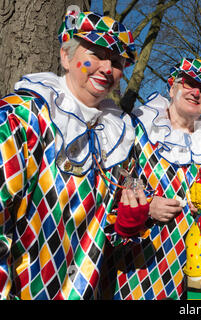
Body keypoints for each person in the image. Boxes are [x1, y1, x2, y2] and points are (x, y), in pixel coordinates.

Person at [0, 7, 137, 299]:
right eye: (97, 55)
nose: (106, 68)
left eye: (115, 61)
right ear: (66, 56)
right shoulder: (22, 117)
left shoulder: (115, 137)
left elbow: (103, 230)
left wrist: (128, 221)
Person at [105, 58, 201, 300]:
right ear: (172, 87)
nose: (196, 92)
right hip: (142, 259)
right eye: (189, 83)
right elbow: (114, 183)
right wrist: (147, 205)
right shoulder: (137, 127)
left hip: (200, 261)